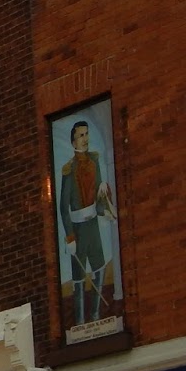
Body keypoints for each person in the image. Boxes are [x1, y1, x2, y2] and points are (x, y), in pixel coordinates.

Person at [58, 120, 118, 325]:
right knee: (78, 277)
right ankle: (81, 320)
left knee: (99, 267)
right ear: (73, 140)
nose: (85, 139)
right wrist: (70, 236)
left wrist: (106, 209)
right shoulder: (68, 170)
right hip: (78, 228)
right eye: (81, 135)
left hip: (92, 225)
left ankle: (95, 314)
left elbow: (99, 198)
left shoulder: (94, 161)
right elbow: (63, 207)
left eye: (87, 134)